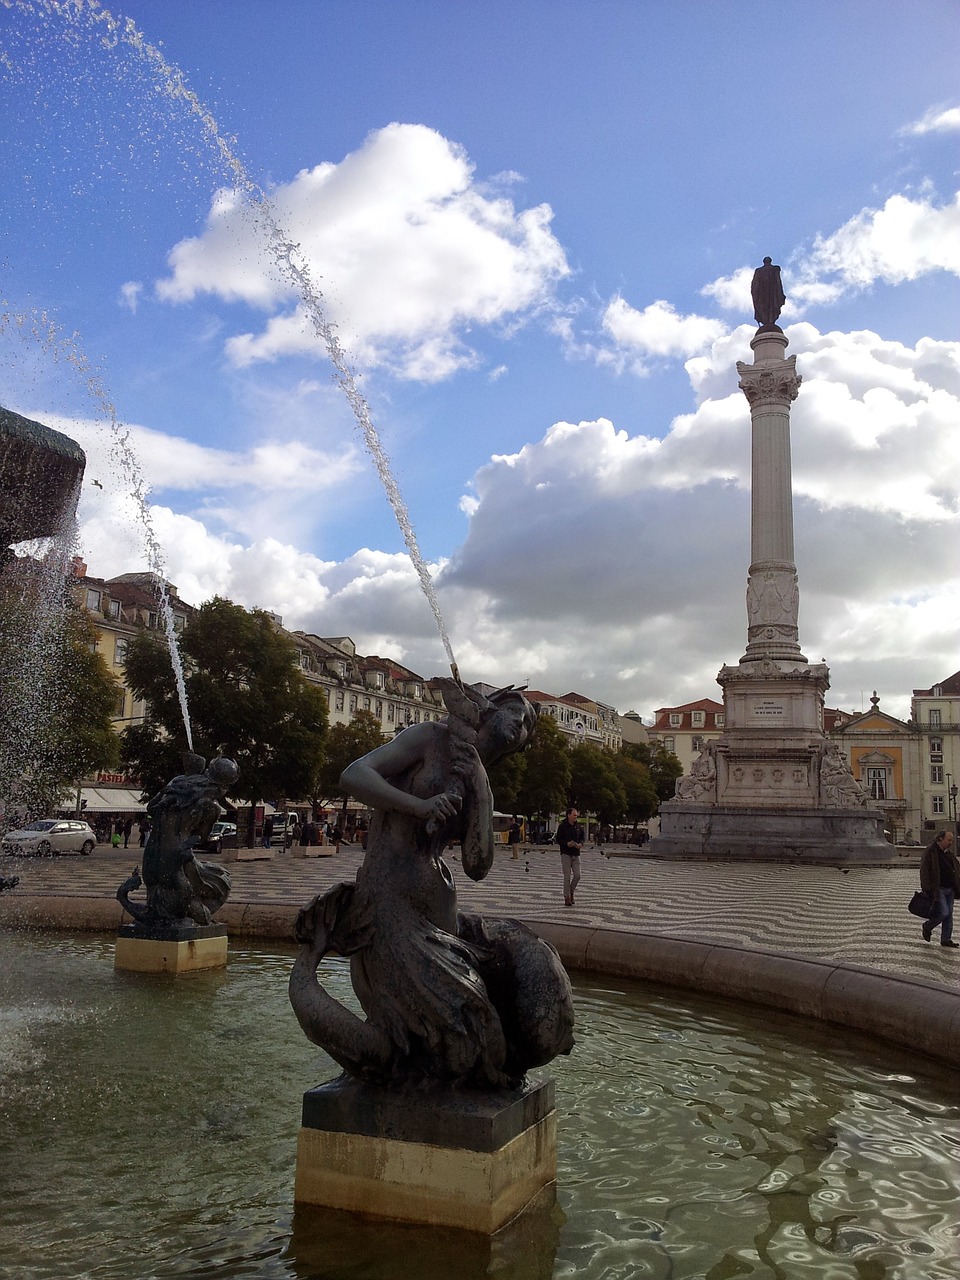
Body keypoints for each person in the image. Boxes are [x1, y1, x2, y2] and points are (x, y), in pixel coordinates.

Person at [289, 680, 574, 1089]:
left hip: (441, 909)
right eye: (516, 709)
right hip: (391, 904)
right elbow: (353, 775)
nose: (522, 721)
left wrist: (481, 787)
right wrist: (418, 805)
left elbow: (478, 865)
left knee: (524, 978)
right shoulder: (429, 738)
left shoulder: (477, 774)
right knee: (461, 1036)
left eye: (529, 723)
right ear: (489, 709)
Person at [919, 830, 960, 947]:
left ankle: (946, 939)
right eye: (949, 840)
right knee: (943, 913)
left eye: (952, 840)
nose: (951, 842)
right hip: (939, 889)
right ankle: (927, 926)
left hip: (950, 889)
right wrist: (926, 888)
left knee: (949, 914)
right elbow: (924, 870)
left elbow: (955, 868)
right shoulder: (931, 851)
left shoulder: (948, 853)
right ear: (940, 839)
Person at [556, 806, 584, 906]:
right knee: (567, 876)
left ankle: (571, 890)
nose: (576, 817)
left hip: (576, 854)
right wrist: (566, 844)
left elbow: (582, 838)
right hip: (566, 853)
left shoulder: (578, 827)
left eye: (576, 815)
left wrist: (581, 844)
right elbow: (558, 839)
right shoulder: (562, 826)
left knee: (578, 875)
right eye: (574, 815)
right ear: (568, 815)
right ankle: (567, 897)